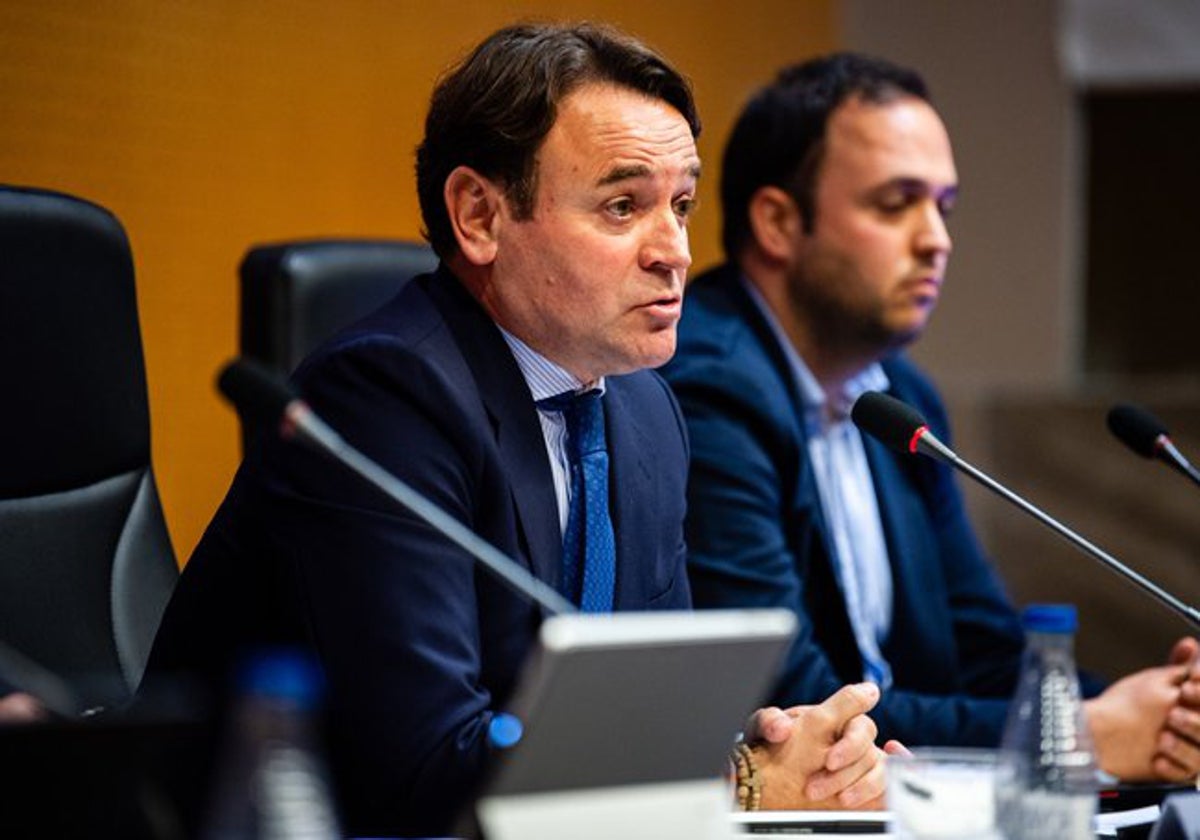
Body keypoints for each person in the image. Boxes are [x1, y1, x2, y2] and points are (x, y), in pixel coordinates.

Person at [142, 26, 895, 837]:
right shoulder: (383, 401)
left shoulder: (645, 410)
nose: (674, 252)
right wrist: (736, 787)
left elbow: (644, 710)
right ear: (479, 215)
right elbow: (419, 771)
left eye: (680, 206)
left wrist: (787, 755)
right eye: (622, 206)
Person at [660, 52, 1200, 782]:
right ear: (779, 222)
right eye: (896, 204)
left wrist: (1162, 710)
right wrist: (1075, 733)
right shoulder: (707, 387)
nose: (936, 240)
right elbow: (793, 704)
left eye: (942, 207)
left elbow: (981, 650)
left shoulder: (898, 397)